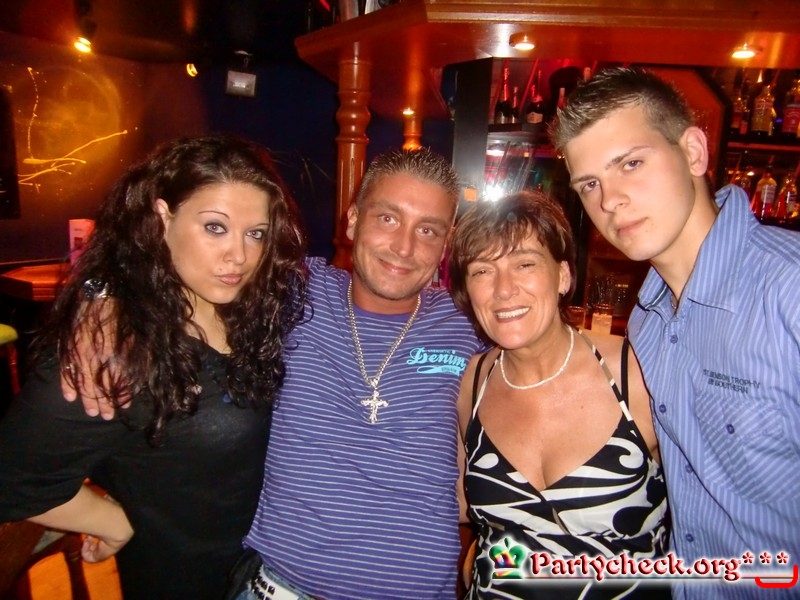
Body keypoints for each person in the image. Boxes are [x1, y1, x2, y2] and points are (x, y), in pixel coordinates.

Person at [64, 147, 485, 599]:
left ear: (446, 243)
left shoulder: (470, 323)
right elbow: (172, 258)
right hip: (281, 588)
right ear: (352, 220)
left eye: (427, 230)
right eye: (387, 218)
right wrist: (102, 296)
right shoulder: (290, 294)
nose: (404, 247)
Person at [0, 134, 308, 600]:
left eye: (256, 233)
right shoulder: (116, 348)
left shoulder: (255, 308)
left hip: (265, 573)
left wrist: (99, 288)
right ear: (162, 218)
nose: (240, 256)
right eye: (215, 227)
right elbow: (13, 481)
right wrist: (113, 521)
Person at [550, 66, 800, 599]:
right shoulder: (648, 320)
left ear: (692, 151)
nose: (609, 200)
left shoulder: (789, 291)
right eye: (589, 184)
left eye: (630, 163)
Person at [448, 190, 669, 599]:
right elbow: (460, 504)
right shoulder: (471, 384)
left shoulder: (637, 373)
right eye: (482, 271)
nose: (503, 289)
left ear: (563, 276)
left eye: (525, 264)